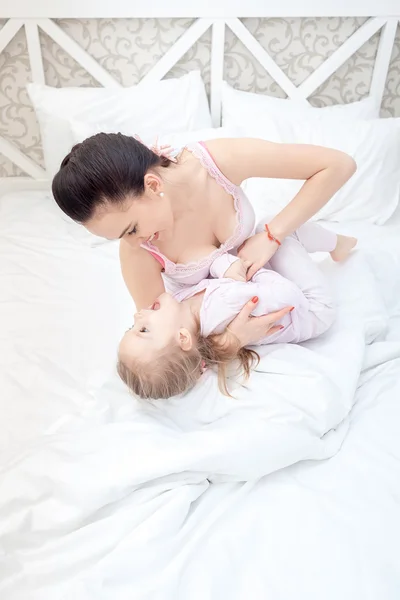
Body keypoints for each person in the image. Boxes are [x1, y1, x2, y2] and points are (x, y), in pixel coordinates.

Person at [52, 133, 356, 351]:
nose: (134, 242)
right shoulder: (138, 253)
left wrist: (271, 236)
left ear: (152, 184)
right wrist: (230, 341)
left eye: (132, 229)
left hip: (260, 267)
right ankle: (332, 243)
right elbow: (163, 340)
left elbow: (338, 165)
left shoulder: (216, 164)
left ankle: (337, 244)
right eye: (119, 237)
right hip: (223, 313)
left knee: (282, 230)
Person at [117, 222, 357, 399]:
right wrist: (238, 266)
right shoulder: (223, 306)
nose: (137, 315)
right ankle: (340, 244)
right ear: (182, 337)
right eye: (143, 329)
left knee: (259, 240)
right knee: (276, 228)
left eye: (132, 326)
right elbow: (289, 296)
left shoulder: (180, 305)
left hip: (280, 297)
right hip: (312, 308)